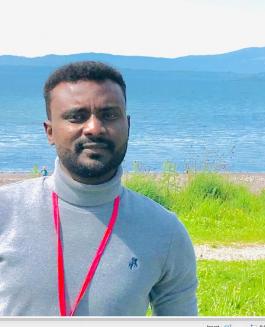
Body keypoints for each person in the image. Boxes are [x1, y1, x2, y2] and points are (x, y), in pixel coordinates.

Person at [0, 61, 197, 316]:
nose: (94, 128)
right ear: (50, 132)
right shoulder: (6, 213)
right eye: (76, 117)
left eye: (109, 115)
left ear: (128, 125)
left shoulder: (165, 233)